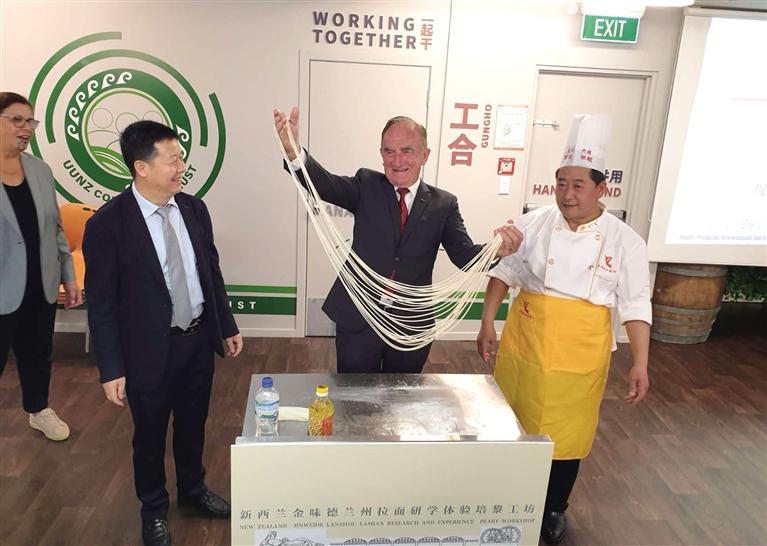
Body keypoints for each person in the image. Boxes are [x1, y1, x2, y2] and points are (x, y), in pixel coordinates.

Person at [476, 114, 651, 545]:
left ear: (601, 189)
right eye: (560, 183)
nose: (567, 194)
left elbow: (635, 304)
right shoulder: (533, 222)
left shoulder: (625, 241)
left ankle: (554, 507)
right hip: (527, 339)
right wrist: (487, 321)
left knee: (568, 434)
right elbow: (504, 272)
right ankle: (510, 497)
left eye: (578, 185)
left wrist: (640, 363)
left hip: (582, 349)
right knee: (513, 420)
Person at [83, 120, 243, 546]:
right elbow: (101, 304)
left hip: (197, 341)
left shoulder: (194, 209)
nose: (181, 167)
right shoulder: (109, 224)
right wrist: (111, 367)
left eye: (181, 158)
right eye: (172, 160)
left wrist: (225, 325)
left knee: (193, 424)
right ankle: (153, 508)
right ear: (142, 167)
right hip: (147, 351)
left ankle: (193, 489)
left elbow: (210, 272)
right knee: (150, 435)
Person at [274, 107, 522, 373]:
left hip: (410, 324)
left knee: (403, 393)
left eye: (407, 150)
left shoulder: (443, 204)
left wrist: (496, 250)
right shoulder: (366, 185)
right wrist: (294, 153)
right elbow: (324, 184)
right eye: (389, 151)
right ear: (381, 154)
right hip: (360, 316)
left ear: (424, 155)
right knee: (354, 392)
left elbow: (464, 255)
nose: (397, 160)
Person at [0, 92, 83, 441]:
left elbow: (55, 229)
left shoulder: (40, 170)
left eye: (30, 121)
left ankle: (39, 409)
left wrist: (69, 277)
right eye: (16, 120)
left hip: (41, 283)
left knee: (37, 353)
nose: (27, 128)